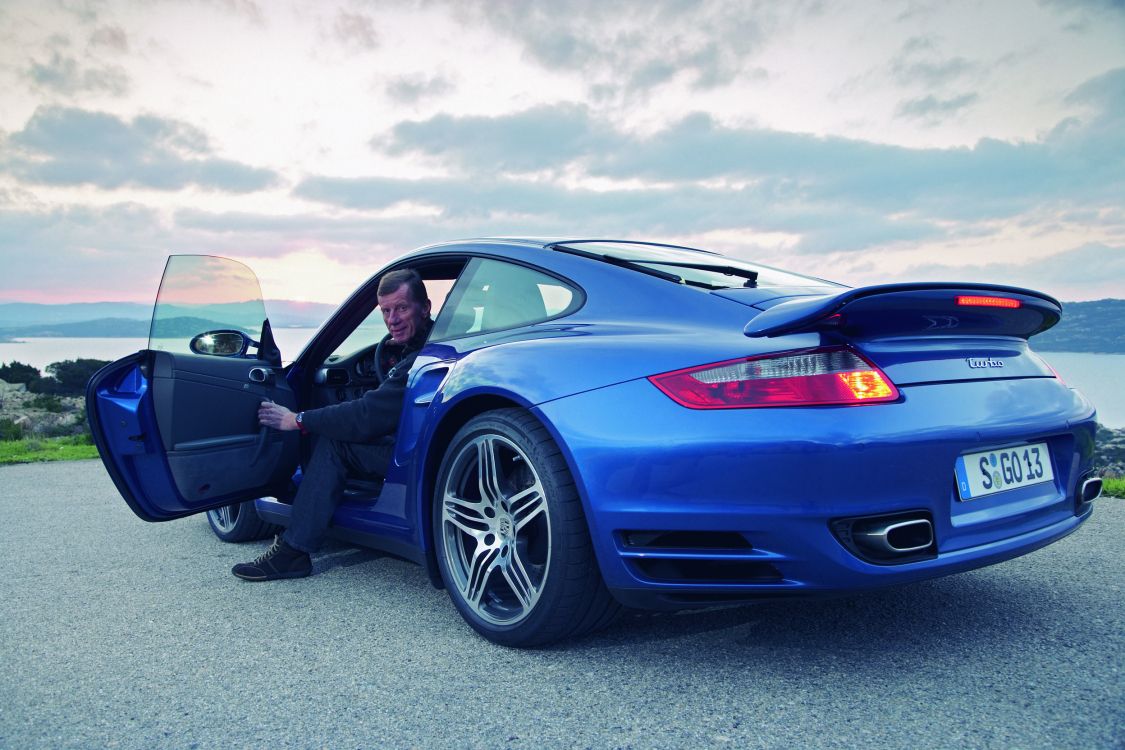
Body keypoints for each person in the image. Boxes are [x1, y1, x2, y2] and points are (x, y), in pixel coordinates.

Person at [232, 268, 432, 581]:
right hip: (425, 450)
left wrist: (296, 419)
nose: (392, 319)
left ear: (426, 308)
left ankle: (293, 551)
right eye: (386, 311)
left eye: (402, 308)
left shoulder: (421, 359)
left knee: (335, 442)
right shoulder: (426, 348)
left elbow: (366, 417)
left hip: (414, 458)